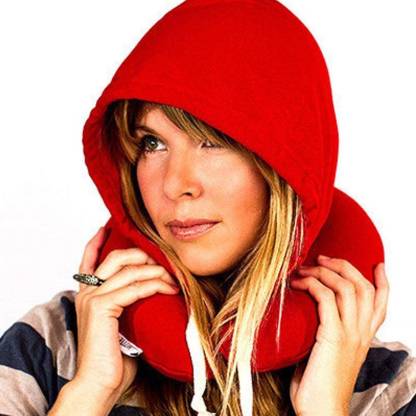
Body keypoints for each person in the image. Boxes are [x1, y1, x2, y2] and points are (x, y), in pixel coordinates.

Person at [1, 1, 415, 415]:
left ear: (284, 167)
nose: (175, 184)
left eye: (213, 141)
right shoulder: (49, 347)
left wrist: (325, 408)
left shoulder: (390, 389)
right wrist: (90, 391)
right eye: (152, 143)